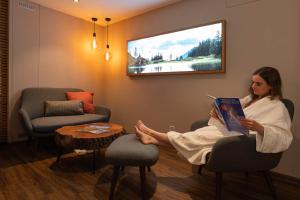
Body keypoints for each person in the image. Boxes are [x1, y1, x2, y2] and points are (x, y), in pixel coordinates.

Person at [134, 66, 293, 165]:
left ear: (271, 86)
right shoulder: (249, 99)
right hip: (231, 133)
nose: (253, 86)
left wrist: (260, 128)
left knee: (193, 139)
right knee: (195, 135)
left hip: (243, 141)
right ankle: (153, 140)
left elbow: (284, 136)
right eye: (252, 82)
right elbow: (234, 118)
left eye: (258, 84)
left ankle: (152, 133)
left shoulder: (277, 107)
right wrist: (218, 115)